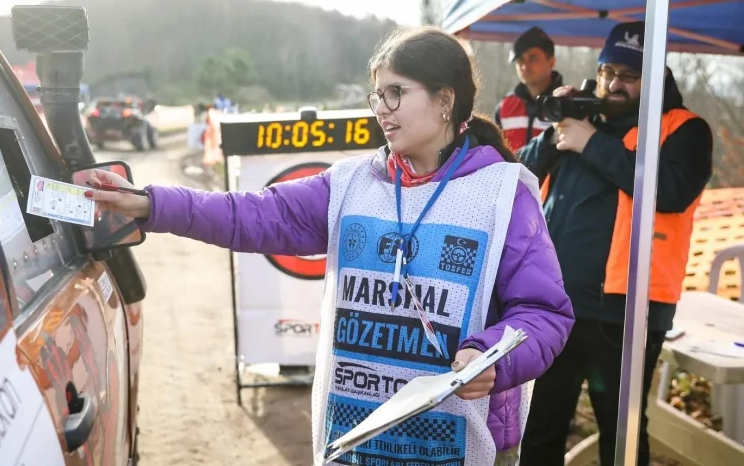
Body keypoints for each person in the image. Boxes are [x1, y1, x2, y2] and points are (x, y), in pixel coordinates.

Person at [86, 26, 575, 466]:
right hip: (357, 440)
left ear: (445, 100)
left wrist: (492, 358)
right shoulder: (349, 185)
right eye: (377, 95)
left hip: (455, 444)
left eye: (396, 93)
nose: (381, 109)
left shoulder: (501, 195)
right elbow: (252, 214)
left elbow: (545, 313)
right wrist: (150, 205)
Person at [517, 21, 713, 466]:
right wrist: (555, 132)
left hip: (627, 313)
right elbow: (518, 179)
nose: (613, 84)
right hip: (556, 306)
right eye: (607, 72)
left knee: (620, 433)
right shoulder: (581, 120)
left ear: (656, 78)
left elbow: (672, 191)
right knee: (541, 422)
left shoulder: (685, 130)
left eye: (629, 75)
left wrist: (591, 144)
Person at [494, 26, 564, 152]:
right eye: (520, 60)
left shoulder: (566, 105)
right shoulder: (504, 107)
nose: (525, 66)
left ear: (551, 61)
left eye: (532, 58)